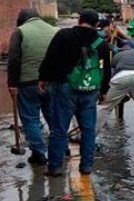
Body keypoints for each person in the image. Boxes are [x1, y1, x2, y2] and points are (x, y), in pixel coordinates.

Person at [38, 9, 111, 176]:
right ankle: (86, 166)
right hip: (91, 90)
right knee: (88, 129)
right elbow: (106, 70)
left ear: (80, 20)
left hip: (65, 87)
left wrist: (43, 78)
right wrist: (104, 91)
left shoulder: (64, 35)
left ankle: (55, 167)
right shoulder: (101, 44)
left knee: (59, 129)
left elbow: (50, 58)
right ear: (96, 24)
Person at [6, 9, 58, 165]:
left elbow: (14, 60)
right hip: (52, 81)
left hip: (28, 83)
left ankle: (38, 153)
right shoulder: (54, 30)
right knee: (53, 115)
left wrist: (12, 84)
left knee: (30, 118)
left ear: (22, 20)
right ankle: (60, 147)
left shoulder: (20, 32)